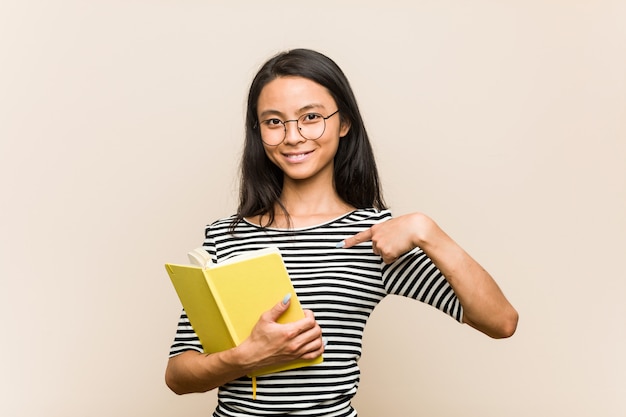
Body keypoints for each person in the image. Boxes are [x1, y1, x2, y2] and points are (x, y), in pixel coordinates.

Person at [165, 48, 518, 416]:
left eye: (311, 117)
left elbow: (500, 321)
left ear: (344, 123)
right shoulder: (226, 237)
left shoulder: (376, 235)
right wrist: (246, 357)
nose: (293, 136)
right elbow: (178, 375)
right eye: (274, 122)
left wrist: (426, 230)